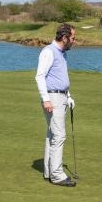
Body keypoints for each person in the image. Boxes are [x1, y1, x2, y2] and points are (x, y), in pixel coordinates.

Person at [35, 23, 77, 186]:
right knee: (59, 135)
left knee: (52, 134)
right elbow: (40, 76)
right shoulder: (49, 52)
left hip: (61, 97)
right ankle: (57, 174)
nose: (75, 41)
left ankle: (48, 170)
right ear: (65, 38)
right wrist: (46, 99)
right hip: (52, 98)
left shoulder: (62, 53)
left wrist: (69, 96)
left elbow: (61, 79)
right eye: (73, 38)